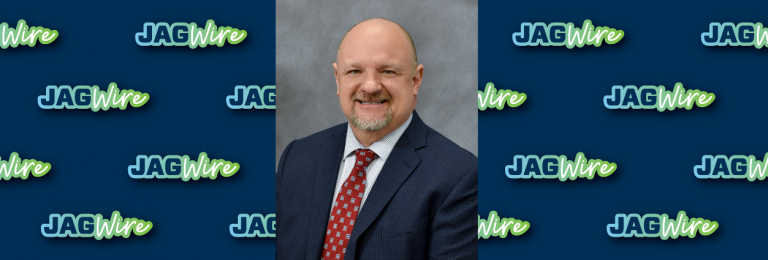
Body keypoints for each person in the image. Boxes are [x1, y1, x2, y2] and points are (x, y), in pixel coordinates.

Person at [276, 18, 477, 260]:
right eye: (354, 71)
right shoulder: (297, 157)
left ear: (415, 79)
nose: (370, 86)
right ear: (338, 79)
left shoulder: (459, 176)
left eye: (388, 71)